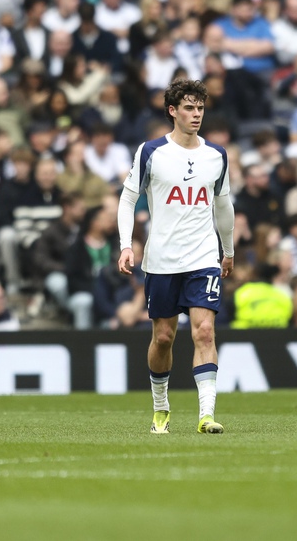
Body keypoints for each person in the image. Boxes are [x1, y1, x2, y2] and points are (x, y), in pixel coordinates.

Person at [117, 79, 235, 435]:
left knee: (204, 331)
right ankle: (161, 407)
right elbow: (127, 199)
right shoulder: (151, 151)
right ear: (172, 111)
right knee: (164, 337)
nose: (196, 114)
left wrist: (227, 251)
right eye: (188, 108)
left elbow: (223, 205)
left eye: (200, 108)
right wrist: (126, 244)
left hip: (202, 257)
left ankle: (206, 414)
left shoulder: (216, 156)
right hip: (162, 259)